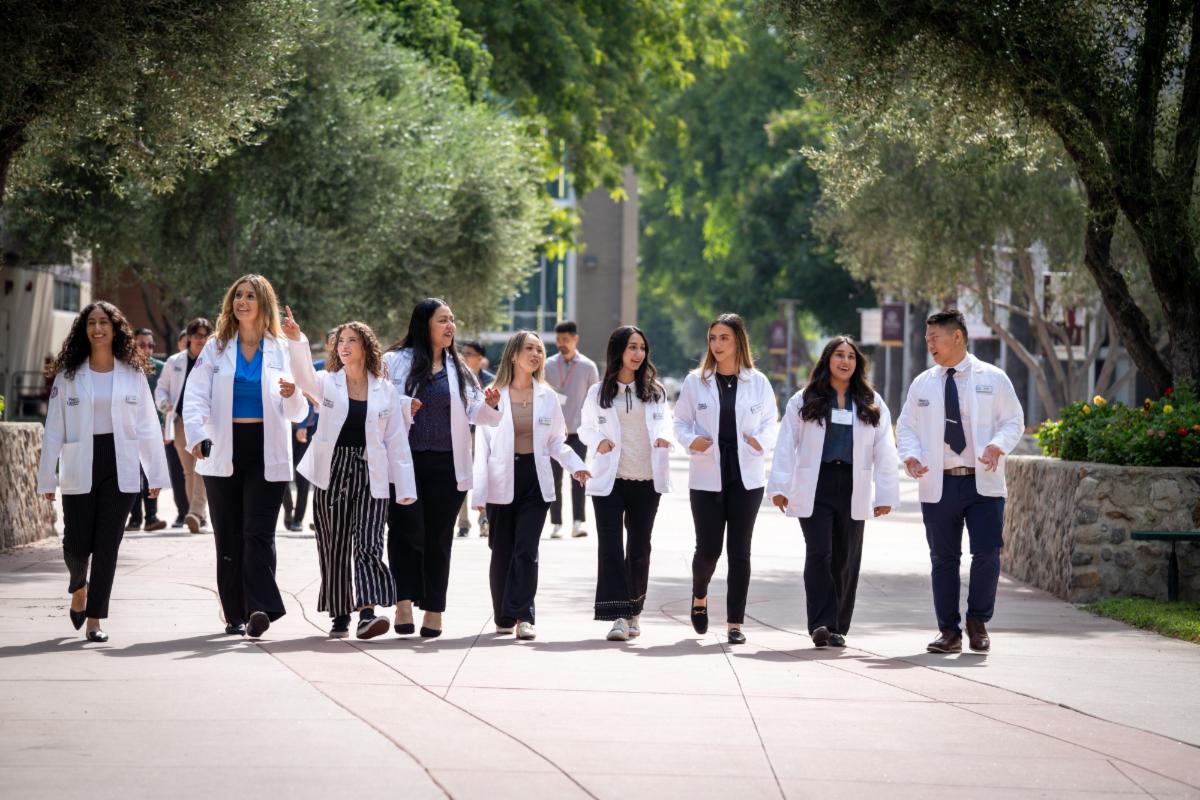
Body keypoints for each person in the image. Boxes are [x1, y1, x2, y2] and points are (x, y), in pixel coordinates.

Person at [183, 275, 308, 638]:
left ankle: (259, 608)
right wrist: (197, 435)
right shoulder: (216, 347)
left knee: (258, 533)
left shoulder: (282, 347)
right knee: (229, 534)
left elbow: (300, 411)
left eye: (250, 296)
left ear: (263, 303)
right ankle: (235, 613)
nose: (242, 301)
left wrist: (292, 393)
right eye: (238, 295)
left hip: (267, 449)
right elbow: (195, 396)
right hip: (223, 446)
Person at [37, 302, 170, 642]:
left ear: (115, 329)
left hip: (120, 462)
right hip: (79, 460)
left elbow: (147, 425)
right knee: (76, 544)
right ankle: (78, 586)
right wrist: (47, 476)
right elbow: (54, 428)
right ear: (84, 330)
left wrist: (155, 474)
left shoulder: (132, 373)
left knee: (107, 545)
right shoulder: (69, 374)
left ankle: (95, 618)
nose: (97, 329)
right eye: (91, 323)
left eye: (103, 323)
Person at [896, 309, 1024, 654]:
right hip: (940, 484)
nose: (929, 345)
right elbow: (906, 426)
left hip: (983, 482)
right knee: (943, 559)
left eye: (934, 338)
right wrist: (910, 455)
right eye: (927, 339)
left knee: (987, 554)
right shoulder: (923, 383)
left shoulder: (993, 378)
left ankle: (977, 621)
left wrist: (998, 444)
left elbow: (1013, 420)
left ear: (957, 337)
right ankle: (948, 632)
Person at [283, 311, 417, 639]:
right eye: (340, 341)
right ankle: (340, 613)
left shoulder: (385, 390)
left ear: (366, 347)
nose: (344, 346)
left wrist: (405, 487)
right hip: (333, 469)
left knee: (369, 542)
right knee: (335, 544)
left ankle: (368, 613)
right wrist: (297, 338)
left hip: (372, 471)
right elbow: (302, 377)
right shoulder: (326, 381)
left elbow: (396, 441)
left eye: (351, 341)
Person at [768, 336, 899, 648]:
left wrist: (885, 494)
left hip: (854, 483)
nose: (845, 361)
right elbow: (786, 443)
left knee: (845, 557)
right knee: (819, 553)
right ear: (827, 360)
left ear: (857, 363)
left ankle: (838, 625)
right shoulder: (804, 399)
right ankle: (820, 624)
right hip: (816, 483)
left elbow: (885, 448)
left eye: (851, 356)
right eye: (839, 355)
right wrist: (780, 487)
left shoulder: (870, 401)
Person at [383, 299, 502, 638]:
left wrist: (491, 405)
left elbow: (476, 412)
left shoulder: (459, 367)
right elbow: (380, 401)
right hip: (405, 463)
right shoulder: (394, 361)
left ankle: (434, 609)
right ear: (424, 324)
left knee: (438, 538)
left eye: (452, 320)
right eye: (442, 320)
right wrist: (405, 405)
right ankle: (403, 603)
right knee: (405, 533)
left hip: (447, 466)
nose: (450, 326)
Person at [473, 331, 589, 640]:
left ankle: (524, 615)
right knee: (501, 551)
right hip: (501, 480)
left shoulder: (547, 396)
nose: (536, 354)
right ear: (514, 354)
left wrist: (576, 466)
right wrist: (479, 495)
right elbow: (482, 446)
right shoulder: (493, 394)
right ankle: (503, 616)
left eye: (539, 349)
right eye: (529, 348)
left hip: (535, 481)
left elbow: (556, 441)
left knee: (526, 549)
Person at [673, 313, 778, 645]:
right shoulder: (696, 381)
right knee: (708, 550)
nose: (717, 344)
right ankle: (699, 595)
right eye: (713, 338)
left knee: (740, 551)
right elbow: (680, 423)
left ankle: (735, 623)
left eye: (724, 338)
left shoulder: (758, 382)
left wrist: (761, 440)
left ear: (738, 342)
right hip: (707, 475)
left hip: (746, 477)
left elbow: (770, 421)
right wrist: (692, 441)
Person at [578, 326, 673, 641]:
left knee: (639, 548)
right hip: (610, 480)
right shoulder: (598, 392)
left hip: (646, 479)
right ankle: (618, 616)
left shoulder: (655, 391)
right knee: (610, 547)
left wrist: (665, 437)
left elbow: (667, 423)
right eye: (632, 347)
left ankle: (634, 611)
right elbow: (584, 428)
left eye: (642, 348)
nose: (638, 354)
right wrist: (599, 441)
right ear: (618, 350)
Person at [156, 318, 212, 533]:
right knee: (189, 471)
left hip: (206, 423)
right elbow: (161, 388)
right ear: (189, 337)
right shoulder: (174, 362)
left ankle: (196, 513)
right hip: (181, 422)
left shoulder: (212, 360)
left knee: (201, 469)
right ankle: (197, 515)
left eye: (205, 336)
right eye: (197, 335)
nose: (201, 340)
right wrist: (164, 403)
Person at [545, 320, 599, 538]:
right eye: (558, 340)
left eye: (566, 339)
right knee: (554, 478)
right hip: (554, 433)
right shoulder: (547, 365)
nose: (562, 344)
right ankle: (556, 524)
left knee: (579, 477)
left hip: (578, 432)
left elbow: (595, 400)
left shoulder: (588, 367)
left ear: (575, 339)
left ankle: (578, 522)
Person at [127, 328, 168, 531]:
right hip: (129, 430)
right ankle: (134, 519)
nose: (147, 349)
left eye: (151, 345)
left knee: (151, 472)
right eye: (142, 344)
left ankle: (151, 517)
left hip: (153, 430)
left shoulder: (162, 369)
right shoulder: (126, 368)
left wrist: (165, 426)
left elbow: (167, 397)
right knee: (133, 474)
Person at [456, 340, 494, 538]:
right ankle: (463, 522)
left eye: (468, 353)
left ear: (480, 358)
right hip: (464, 434)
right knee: (462, 476)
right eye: (462, 352)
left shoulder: (492, 381)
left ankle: (484, 519)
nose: (463, 357)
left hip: (485, 435)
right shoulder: (456, 378)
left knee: (484, 475)